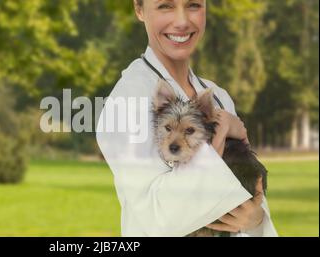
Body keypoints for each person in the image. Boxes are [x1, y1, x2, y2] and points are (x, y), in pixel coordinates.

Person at [96, 0, 278, 236]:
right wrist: (219, 136)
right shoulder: (128, 98)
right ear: (139, 10)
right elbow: (155, 216)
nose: (182, 21)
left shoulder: (218, 96)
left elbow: (251, 191)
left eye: (193, 5)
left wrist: (256, 220)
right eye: (165, 6)